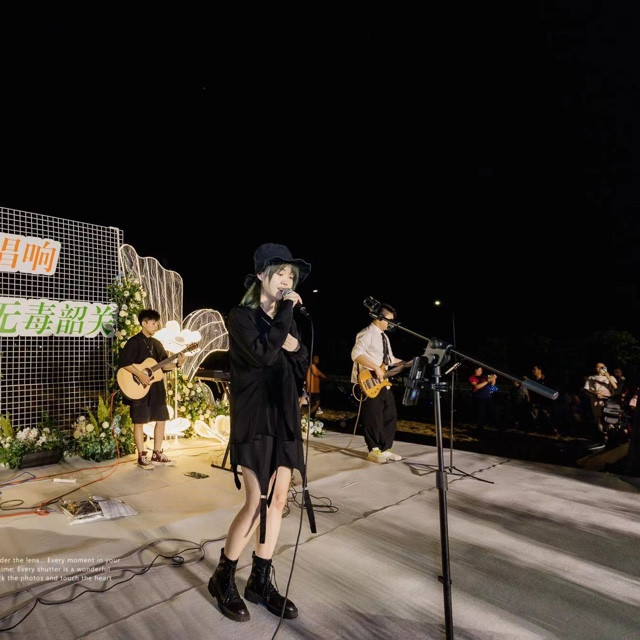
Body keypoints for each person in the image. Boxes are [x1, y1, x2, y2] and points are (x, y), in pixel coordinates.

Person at [208, 242, 313, 623]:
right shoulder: (241, 316)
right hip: (254, 419)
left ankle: (260, 580)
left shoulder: (287, 319)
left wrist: (297, 346)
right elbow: (265, 354)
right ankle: (223, 577)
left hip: (284, 416)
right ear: (261, 277)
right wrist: (286, 314)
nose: (287, 281)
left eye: (291, 276)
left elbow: (300, 363)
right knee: (258, 501)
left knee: (279, 500)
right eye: (280, 273)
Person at [118, 309, 184, 469]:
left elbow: (163, 365)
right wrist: (140, 374)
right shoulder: (134, 342)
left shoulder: (156, 344)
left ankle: (157, 454)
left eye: (157, 323)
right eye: (153, 323)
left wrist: (177, 364)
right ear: (144, 323)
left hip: (156, 389)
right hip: (138, 388)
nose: (156, 326)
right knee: (139, 421)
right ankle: (142, 456)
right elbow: (124, 363)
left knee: (161, 419)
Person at [351, 303, 406, 463]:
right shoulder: (367, 333)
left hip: (383, 382)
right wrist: (375, 367)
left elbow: (390, 359)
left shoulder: (384, 337)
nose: (391, 324)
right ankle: (373, 450)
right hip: (369, 382)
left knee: (390, 415)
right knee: (373, 416)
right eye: (389, 320)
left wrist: (407, 363)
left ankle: (385, 449)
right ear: (379, 317)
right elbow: (356, 354)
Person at [583, 362, 618, 441]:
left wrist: (607, 376)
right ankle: (604, 436)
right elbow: (586, 390)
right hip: (596, 401)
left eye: (602, 367)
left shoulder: (610, 377)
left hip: (608, 400)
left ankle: (612, 434)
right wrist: (595, 393)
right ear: (595, 369)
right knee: (599, 418)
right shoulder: (591, 378)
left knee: (609, 417)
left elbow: (615, 387)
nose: (600, 369)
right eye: (598, 367)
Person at [468, 366, 498, 433]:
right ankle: (480, 428)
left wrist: (494, 378)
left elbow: (492, 385)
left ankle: (492, 425)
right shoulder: (472, 377)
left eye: (481, 370)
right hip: (479, 397)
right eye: (478, 370)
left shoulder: (484, 376)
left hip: (488, 397)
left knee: (491, 411)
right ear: (475, 370)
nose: (480, 372)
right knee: (480, 413)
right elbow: (476, 386)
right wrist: (487, 381)